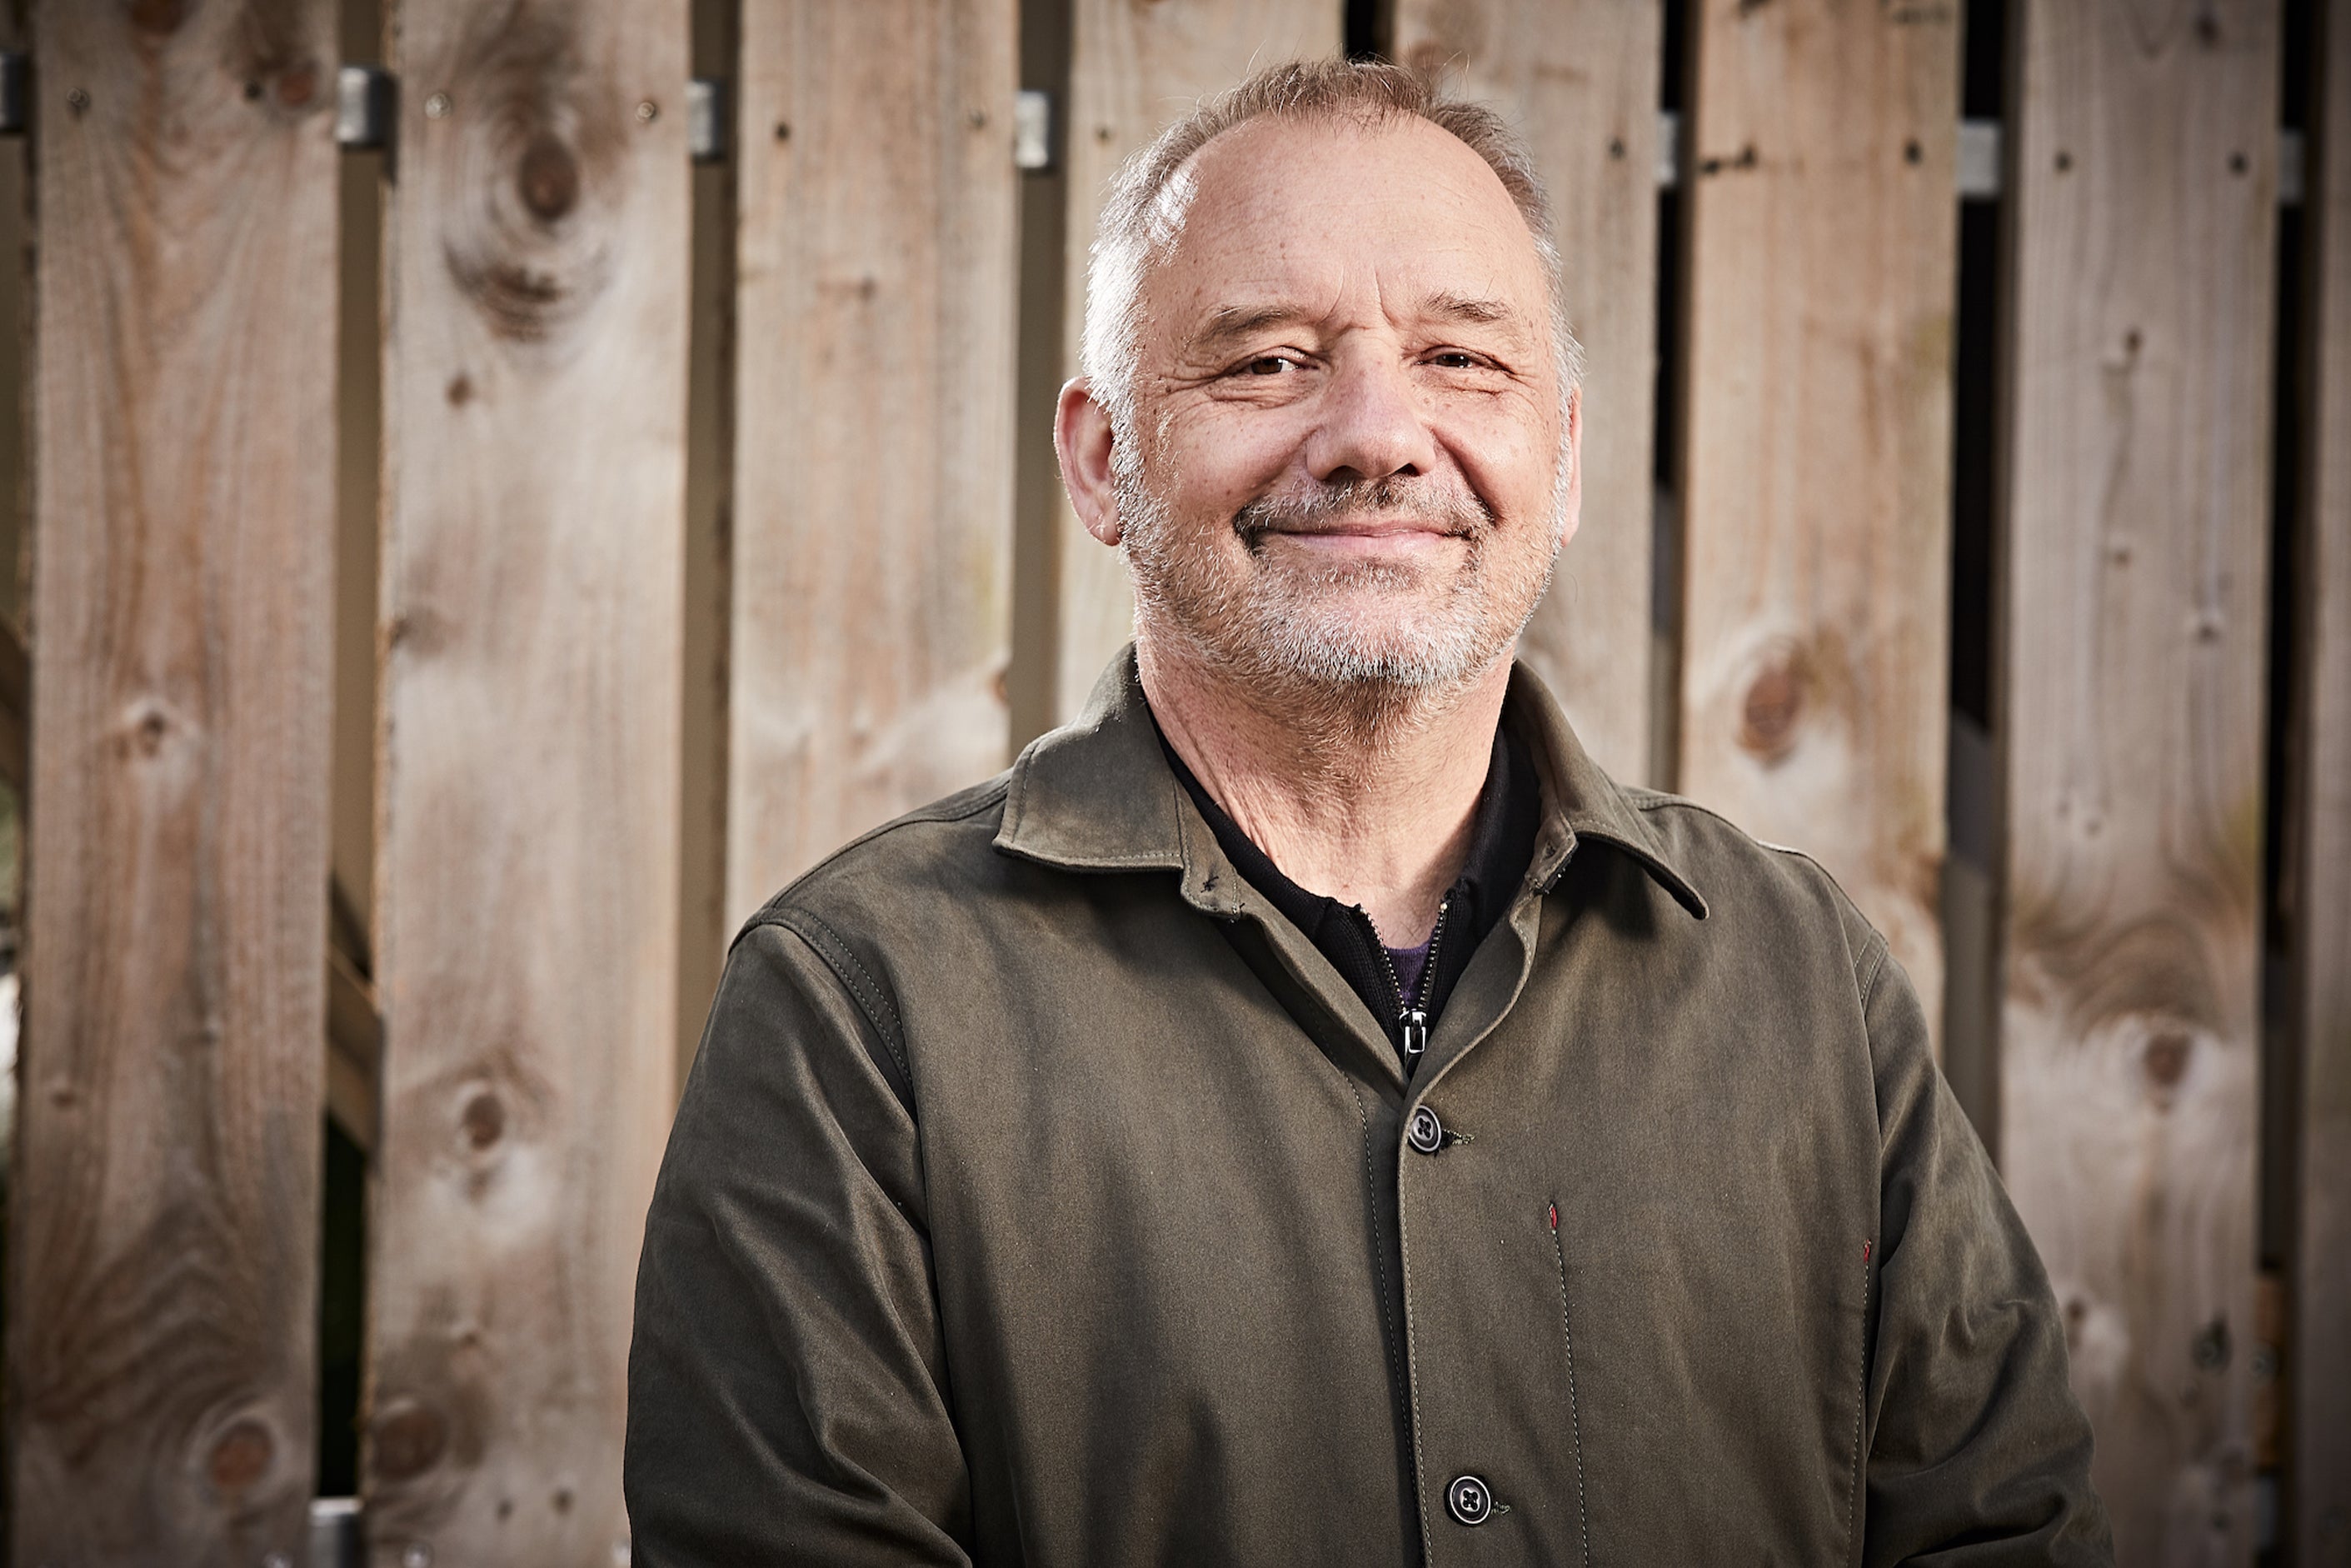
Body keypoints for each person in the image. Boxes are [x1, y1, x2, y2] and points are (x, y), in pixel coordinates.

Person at [625, 58, 2110, 1566]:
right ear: (1100, 460)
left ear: (1566, 454)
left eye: (1463, 359)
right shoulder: (856, 1010)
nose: (1374, 434)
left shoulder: (1801, 976)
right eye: (1267, 361)